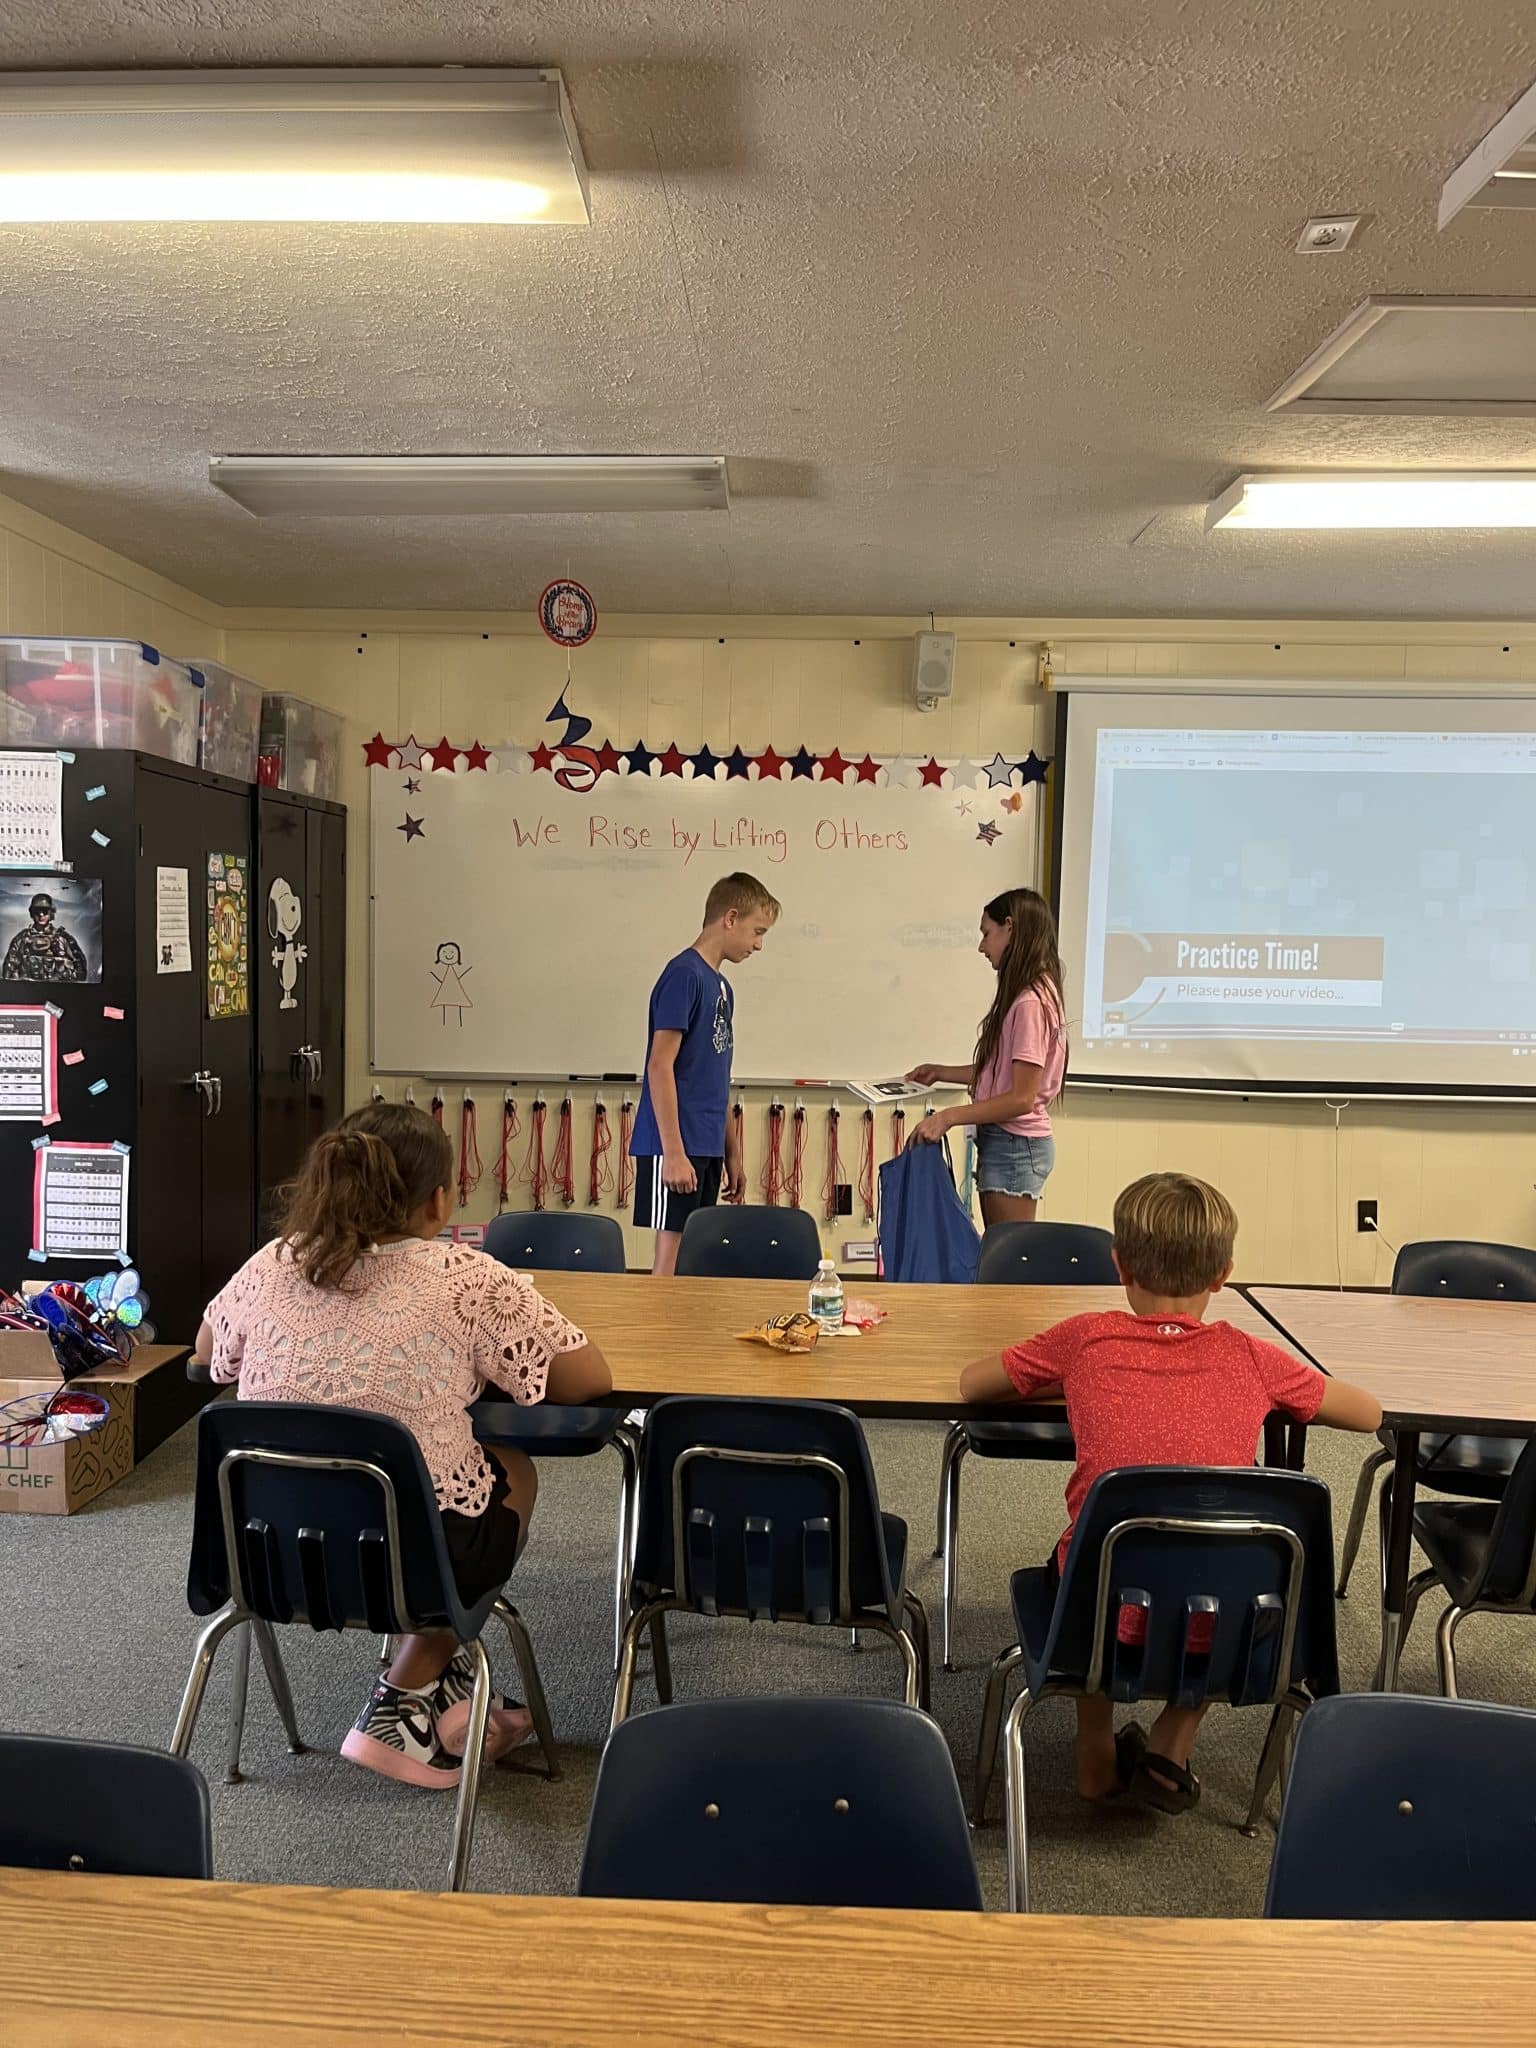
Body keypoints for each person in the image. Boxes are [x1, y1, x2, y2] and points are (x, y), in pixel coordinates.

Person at [193, 1102, 612, 1789]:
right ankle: (404, 1691)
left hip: (265, 1555)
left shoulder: (275, 1260)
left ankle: (445, 1694)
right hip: (408, 1565)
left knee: (417, 1470)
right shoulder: (466, 1277)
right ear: (439, 1200)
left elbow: (208, 1348)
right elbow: (588, 1379)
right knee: (511, 1470)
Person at [958, 1170, 1381, 1814]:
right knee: (1224, 1561)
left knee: (1094, 1554)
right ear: (1224, 1275)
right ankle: (1175, 1735)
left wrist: (1072, 1378)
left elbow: (973, 1383)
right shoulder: (1252, 1357)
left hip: (1097, 1614)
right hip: (1231, 1623)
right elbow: (1369, 1413)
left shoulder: (1084, 1339)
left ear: (1119, 1264)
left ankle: (1094, 1742)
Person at [630, 871, 781, 1276]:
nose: (758, 944)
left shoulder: (723, 989)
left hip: (707, 1145)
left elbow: (716, 1080)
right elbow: (660, 1065)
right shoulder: (685, 975)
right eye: (757, 931)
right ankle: (659, 1323)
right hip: (675, 1146)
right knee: (670, 1259)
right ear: (730, 918)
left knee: (695, 1259)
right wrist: (674, 1154)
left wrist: (732, 1153)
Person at [905, 887, 1066, 1224]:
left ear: (1010, 927)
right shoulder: (1032, 993)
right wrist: (940, 1072)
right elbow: (1001, 1074)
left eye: (986, 933)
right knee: (999, 1248)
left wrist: (948, 1117)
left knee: (1008, 1254)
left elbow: (1021, 1098)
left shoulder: (1030, 1003)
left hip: (1015, 1146)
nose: (982, 946)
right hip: (1009, 1144)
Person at [2, 891, 88, 982]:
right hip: (27, 989)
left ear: (51, 913)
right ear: (32, 913)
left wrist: (65, 976)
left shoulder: (63, 939)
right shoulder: (22, 939)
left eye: (45, 911)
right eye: (37, 911)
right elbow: (8, 972)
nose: (41, 915)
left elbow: (81, 971)